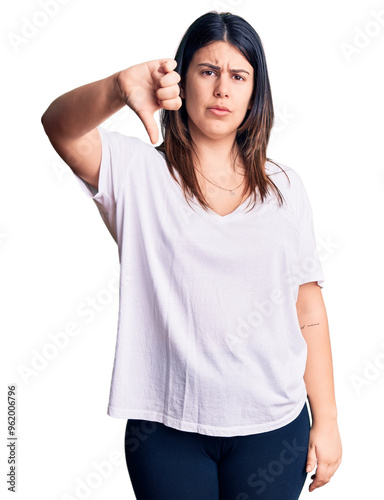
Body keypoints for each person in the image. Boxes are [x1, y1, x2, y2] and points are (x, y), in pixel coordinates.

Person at [41, 10, 342, 500]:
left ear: (254, 93)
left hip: (273, 427)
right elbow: (60, 128)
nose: (222, 88)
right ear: (181, 82)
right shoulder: (138, 174)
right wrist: (119, 87)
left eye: (238, 75)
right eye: (208, 71)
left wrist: (326, 420)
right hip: (165, 432)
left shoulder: (285, 188)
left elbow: (307, 308)